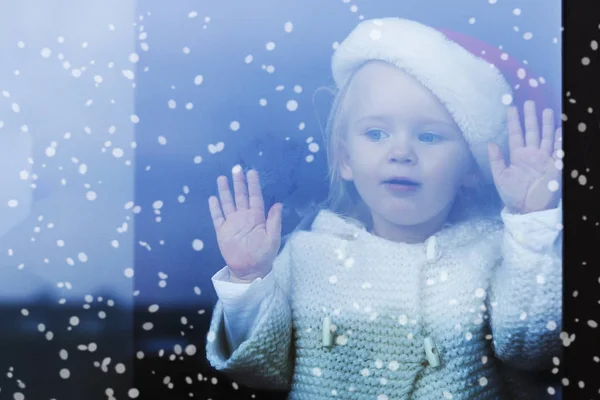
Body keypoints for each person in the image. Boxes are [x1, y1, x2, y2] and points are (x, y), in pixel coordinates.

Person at [205, 17, 563, 400]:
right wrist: (248, 280)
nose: (401, 153)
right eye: (376, 133)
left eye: (429, 136)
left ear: (470, 170)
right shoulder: (310, 256)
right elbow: (264, 368)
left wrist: (531, 225)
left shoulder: (492, 255)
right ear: (346, 157)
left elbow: (531, 349)